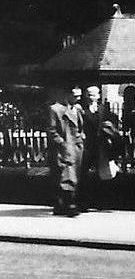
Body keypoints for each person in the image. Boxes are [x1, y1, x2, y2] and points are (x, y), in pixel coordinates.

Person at [79, 85, 121, 211]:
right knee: (83, 174)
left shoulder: (103, 109)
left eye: (94, 94)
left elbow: (111, 122)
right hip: (87, 145)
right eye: (89, 94)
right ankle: (83, 203)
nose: (91, 97)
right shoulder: (82, 109)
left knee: (101, 174)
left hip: (100, 145)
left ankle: (101, 202)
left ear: (98, 96)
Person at [47, 85, 85, 216]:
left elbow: (80, 126)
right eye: (75, 96)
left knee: (75, 174)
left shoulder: (78, 109)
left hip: (77, 146)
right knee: (66, 176)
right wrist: (62, 143)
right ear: (67, 95)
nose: (77, 99)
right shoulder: (56, 109)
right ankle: (69, 205)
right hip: (64, 147)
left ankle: (61, 204)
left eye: (79, 96)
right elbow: (52, 130)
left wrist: (81, 138)